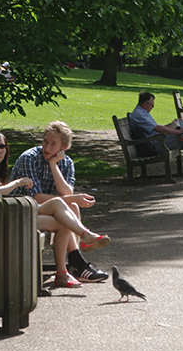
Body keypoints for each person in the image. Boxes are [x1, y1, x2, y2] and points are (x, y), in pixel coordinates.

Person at [0, 130, 111, 288]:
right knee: (61, 213)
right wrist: (17, 183)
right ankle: (83, 242)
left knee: (61, 216)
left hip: (8, 214)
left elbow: (65, 192)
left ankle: (66, 267)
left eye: (2, 146)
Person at [9, 121, 110, 285]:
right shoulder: (29, 158)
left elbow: (66, 193)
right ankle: (78, 259)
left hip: (40, 210)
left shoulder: (67, 162)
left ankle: (74, 266)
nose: (47, 148)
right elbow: (36, 198)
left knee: (72, 205)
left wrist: (53, 165)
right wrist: (72, 198)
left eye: (53, 144)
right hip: (21, 208)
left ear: (64, 147)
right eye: (45, 141)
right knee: (68, 209)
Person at [130, 92, 183, 177]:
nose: (152, 107)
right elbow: (158, 129)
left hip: (157, 139)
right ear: (145, 104)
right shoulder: (139, 114)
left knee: (180, 123)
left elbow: (156, 128)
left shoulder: (142, 112)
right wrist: (178, 132)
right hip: (154, 144)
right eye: (151, 105)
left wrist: (171, 125)